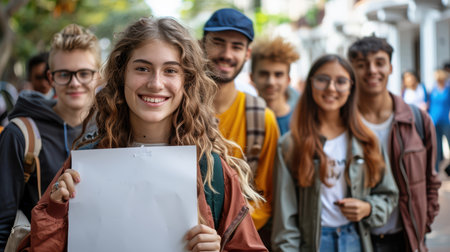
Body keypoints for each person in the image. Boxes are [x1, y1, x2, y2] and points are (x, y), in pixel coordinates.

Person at [23, 17, 267, 252]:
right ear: (121, 75)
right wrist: (55, 212)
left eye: (171, 71)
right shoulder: (85, 164)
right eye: (142, 68)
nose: (155, 83)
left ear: (187, 82)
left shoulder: (211, 172)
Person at [271, 54, 398, 252]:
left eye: (341, 81)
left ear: (351, 87)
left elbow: (389, 194)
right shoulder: (290, 144)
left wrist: (369, 208)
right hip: (314, 243)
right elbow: (285, 218)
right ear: (311, 84)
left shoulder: (367, 140)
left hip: (355, 239)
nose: (331, 88)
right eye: (322, 80)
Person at [0, 24, 101, 251]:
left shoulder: (114, 131)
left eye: (84, 73)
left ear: (98, 76)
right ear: (51, 77)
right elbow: (2, 224)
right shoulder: (21, 134)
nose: (75, 83)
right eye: (64, 74)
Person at [348, 36, 441, 252]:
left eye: (379, 63)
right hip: (358, 239)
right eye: (362, 65)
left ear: (390, 67)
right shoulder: (342, 122)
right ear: (352, 71)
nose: (372, 70)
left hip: (406, 237)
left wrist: (422, 225)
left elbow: (431, 180)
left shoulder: (417, 120)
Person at [201, 8, 280, 247]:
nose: (226, 54)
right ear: (202, 44)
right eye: (218, 43)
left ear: (247, 53)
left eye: (236, 46)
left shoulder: (262, 118)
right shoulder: (178, 109)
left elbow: (265, 199)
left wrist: (229, 236)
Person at [250, 36, 300, 135]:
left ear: (288, 79)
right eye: (264, 74)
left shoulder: (302, 117)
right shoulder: (243, 116)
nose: (271, 82)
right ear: (252, 77)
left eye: (278, 74)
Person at [428, 69, 450, 171]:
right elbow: (429, 104)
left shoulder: (448, 89)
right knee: (436, 147)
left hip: (446, 121)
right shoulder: (433, 90)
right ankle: (436, 170)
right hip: (434, 120)